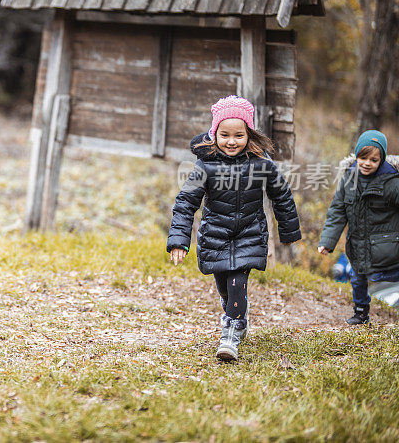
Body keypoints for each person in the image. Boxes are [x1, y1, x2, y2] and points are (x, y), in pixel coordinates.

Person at [167, 95, 301, 362]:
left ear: (248, 134)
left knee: (238, 281)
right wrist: (179, 240)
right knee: (225, 286)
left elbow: (282, 196)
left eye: (238, 135)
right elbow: (186, 202)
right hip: (216, 234)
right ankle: (235, 311)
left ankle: (231, 333)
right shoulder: (206, 165)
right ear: (214, 134)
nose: (231, 141)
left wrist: (288, 231)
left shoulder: (262, 163)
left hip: (249, 233)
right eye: (225, 135)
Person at [318, 130, 399, 325]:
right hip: (359, 243)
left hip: (388, 246)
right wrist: (328, 241)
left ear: (381, 160)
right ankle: (361, 312)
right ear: (356, 155)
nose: (367, 163)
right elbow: (337, 212)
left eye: (373, 159)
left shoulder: (392, 182)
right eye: (363, 158)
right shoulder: (349, 179)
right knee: (357, 278)